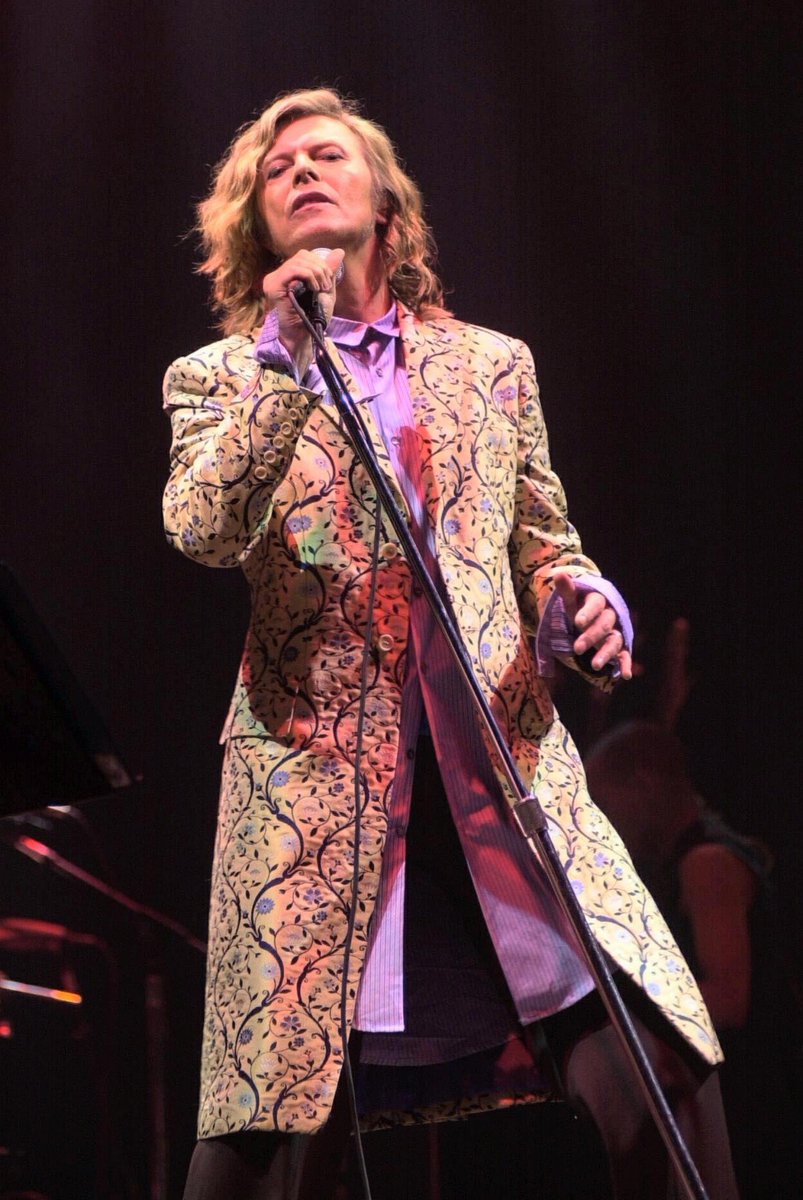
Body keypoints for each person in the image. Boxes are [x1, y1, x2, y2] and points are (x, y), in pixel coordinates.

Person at [162, 88, 737, 1199]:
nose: (300, 172)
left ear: (385, 206)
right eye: (276, 170)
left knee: (659, 1067)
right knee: (268, 1143)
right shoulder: (221, 377)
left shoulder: (489, 365)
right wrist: (285, 358)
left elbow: (544, 543)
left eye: (326, 155)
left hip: (500, 785)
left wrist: (580, 601)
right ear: (255, 227)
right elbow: (201, 527)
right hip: (315, 801)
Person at [586, 720, 803, 1199]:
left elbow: (727, 999)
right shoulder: (700, 856)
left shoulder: (706, 863)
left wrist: (625, 1025)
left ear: (642, 783)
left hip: (758, 1111)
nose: (604, 826)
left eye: (603, 803)